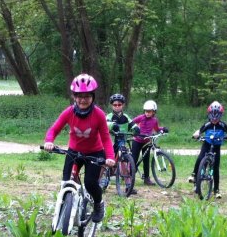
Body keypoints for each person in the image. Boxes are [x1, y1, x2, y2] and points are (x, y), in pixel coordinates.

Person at [44, 74, 116, 222]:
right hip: (74, 152)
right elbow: (54, 129)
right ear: (74, 96)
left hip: (94, 153)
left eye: (87, 96)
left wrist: (110, 157)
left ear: (93, 97)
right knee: (65, 182)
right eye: (79, 96)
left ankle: (98, 204)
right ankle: (65, 207)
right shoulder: (69, 112)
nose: (83, 100)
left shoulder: (99, 115)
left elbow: (106, 138)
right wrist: (49, 141)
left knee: (90, 183)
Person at [189, 101, 227, 199]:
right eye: (212, 116)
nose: (214, 119)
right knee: (201, 159)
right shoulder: (207, 124)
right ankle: (194, 176)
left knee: (215, 168)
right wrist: (196, 134)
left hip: (216, 147)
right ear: (209, 115)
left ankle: (216, 190)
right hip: (207, 144)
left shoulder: (222, 125)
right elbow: (199, 131)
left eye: (217, 116)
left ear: (220, 116)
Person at [102, 93, 140, 192]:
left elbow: (132, 123)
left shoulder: (125, 117)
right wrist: (112, 125)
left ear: (122, 105)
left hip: (121, 142)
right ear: (112, 105)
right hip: (110, 142)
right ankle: (100, 181)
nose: (117, 107)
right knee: (105, 162)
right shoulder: (109, 116)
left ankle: (128, 185)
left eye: (119, 104)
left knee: (124, 161)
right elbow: (105, 123)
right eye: (115, 105)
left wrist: (136, 128)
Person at [131, 100, 168, 185]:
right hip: (137, 140)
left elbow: (157, 129)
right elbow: (132, 122)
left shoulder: (154, 120)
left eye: (149, 111)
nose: (147, 113)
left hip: (147, 142)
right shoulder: (141, 117)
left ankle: (147, 179)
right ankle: (129, 177)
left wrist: (163, 129)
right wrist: (135, 130)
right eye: (146, 111)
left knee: (146, 160)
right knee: (134, 158)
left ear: (154, 112)